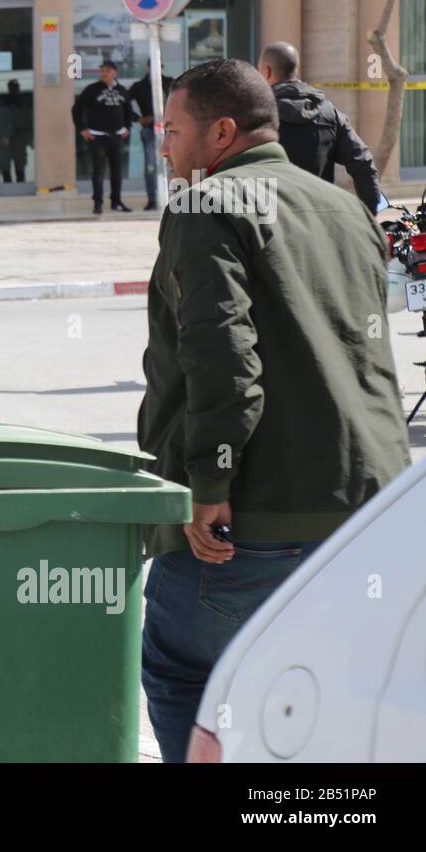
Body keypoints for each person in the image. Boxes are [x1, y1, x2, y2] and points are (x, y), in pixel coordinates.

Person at [138, 59, 410, 762]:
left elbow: (224, 360)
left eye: (172, 130)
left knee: (183, 680)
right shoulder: (345, 208)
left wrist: (209, 489)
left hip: (245, 534)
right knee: (321, 728)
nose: (162, 146)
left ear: (221, 132)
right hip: (364, 525)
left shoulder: (204, 206)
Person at [258, 41, 381, 213]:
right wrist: (369, 218)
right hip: (320, 224)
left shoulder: (255, 114)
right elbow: (364, 165)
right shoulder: (330, 113)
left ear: (267, 71)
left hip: (270, 226)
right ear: (296, 70)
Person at [72, 60, 133, 214]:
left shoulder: (121, 90)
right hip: (97, 137)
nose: (104, 73)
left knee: (117, 171)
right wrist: (82, 129)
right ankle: (98, 203)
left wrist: (127, 127)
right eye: (102, 70)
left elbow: (128, 110)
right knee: (98, 171)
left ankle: (116, 202)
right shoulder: (92, 90)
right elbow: (77, 109)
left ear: (115, 73)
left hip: (117, 137)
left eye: (107, 70)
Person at [127, 69, 173, 210]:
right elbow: (124, 103)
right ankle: (152, 200)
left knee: (174, 164)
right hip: (150, 129)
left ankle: (174, 197)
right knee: (151, 166)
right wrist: (138, 118)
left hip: (171, 129)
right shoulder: (139, 86)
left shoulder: (170, 82)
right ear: (148, 67)